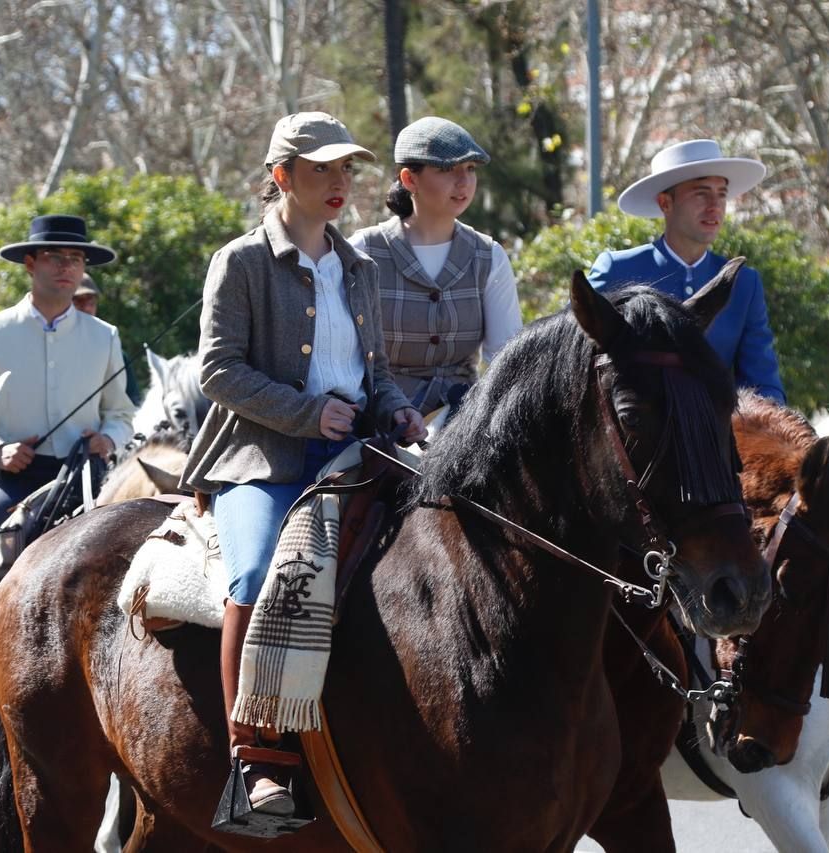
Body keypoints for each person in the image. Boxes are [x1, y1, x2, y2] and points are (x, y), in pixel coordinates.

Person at [180, 111, 426, 816]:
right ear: (281, 175)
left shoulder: (361, 267)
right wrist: (304, 412)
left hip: (359, 452)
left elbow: (372, 374)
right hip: (262, 459)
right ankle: (256, 759)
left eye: (346, 168)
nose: (339, 181)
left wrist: (400, 407)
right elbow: (218, 372)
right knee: (257, 576)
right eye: (321, 168)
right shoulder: (240, 261)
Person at [0, 215, 135, 539]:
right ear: (30, 263)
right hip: (11, 480)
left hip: (86, 478)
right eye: (55, 257)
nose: (66, 267)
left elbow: (120, 413)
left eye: (75, 259)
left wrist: (108, 439)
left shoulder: (104, 336)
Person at [588, 139, 785, 403]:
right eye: (701, 193)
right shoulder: (617, 270)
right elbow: (570, 355)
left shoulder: (745, 283)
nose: (715, 205)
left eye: (722, 194)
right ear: (665, 203)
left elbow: (763, 385)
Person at [348, 116, 522, 413]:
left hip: (465, 420)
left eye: (469, 169)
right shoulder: (364, 251)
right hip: (380, 420)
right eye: (446, 170)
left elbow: (505, 358)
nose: (463, 181)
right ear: (409, 179)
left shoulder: (488, 256)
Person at [73, 272, 141, 404]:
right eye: (78, 301)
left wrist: (109, 424)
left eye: (91, 302)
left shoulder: (115, 353)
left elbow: (132, 403)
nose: (87, 307)